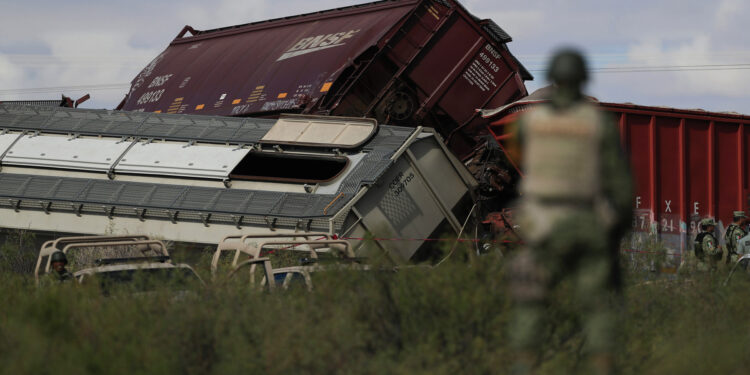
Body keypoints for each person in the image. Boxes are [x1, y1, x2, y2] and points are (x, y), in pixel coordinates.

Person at [508, 49, 633, 375]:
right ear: (582, 79)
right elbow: (621, 188)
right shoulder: (598, 124)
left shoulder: (528, 123)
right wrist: (616, 234)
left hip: (544, 225)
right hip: (587, 222)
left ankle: (524, 365)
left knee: (530, 301)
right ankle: (601, 365)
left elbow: (519, 159)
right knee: (597, 306)